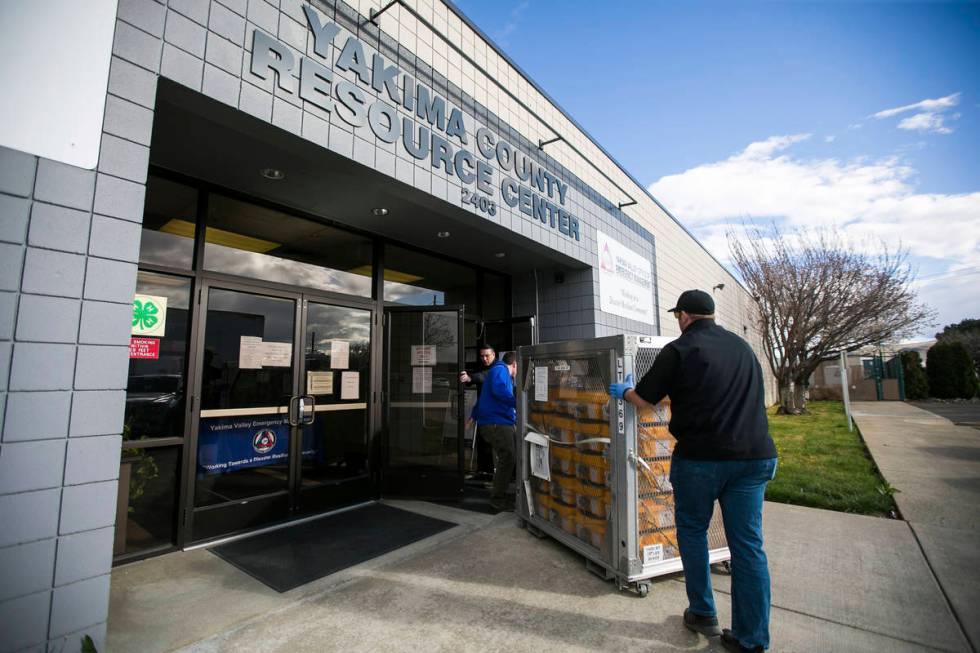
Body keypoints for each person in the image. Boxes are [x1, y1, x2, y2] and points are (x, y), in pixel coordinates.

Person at [609, 289, 778, 653]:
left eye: (678, 316)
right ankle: (753, 640)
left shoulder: (679, 349)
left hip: (702, 458)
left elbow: (644, 400)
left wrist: (623, 392)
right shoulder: (743, 349)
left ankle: (702, 611)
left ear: (684, 316)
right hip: (755, 458)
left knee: (693, 531)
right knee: (748, 547)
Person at [468, 351, 517, 511]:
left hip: (493, 422)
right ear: (515, 364)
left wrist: (474, 415)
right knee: (508, 457)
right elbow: (500, 392)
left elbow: (484, 398)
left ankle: (499, 493)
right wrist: (520, 402)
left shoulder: (495, 371)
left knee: (503, 458)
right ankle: (498, 499)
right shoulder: (501, 370)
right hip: (497, 423)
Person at [459, 344, 497, 477]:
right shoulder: (482, 366)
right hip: (483, 410)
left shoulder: (498, 367)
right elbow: (477, 377)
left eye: (487, 355)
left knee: (493, 443)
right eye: (482, 356)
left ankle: (493, 472)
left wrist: (470, 378)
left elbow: (484, 376)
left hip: (495, 413)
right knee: (482, 441)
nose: (485, 359)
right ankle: (483, 470)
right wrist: (467, 378)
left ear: (494, 354)